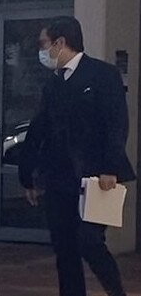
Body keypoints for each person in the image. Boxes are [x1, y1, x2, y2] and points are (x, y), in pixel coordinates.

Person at [19, 16, 135, 296]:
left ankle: (116, 291)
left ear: (60, 43)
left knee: (90, 241)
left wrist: (111, 167)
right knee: (64, 247)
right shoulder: (53, 83)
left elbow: (116, 124)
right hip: (59, 177)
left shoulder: (102, 75)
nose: (42, 51)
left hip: (96, 176)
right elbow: (39, 128)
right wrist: (27, 175)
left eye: (44, 44)